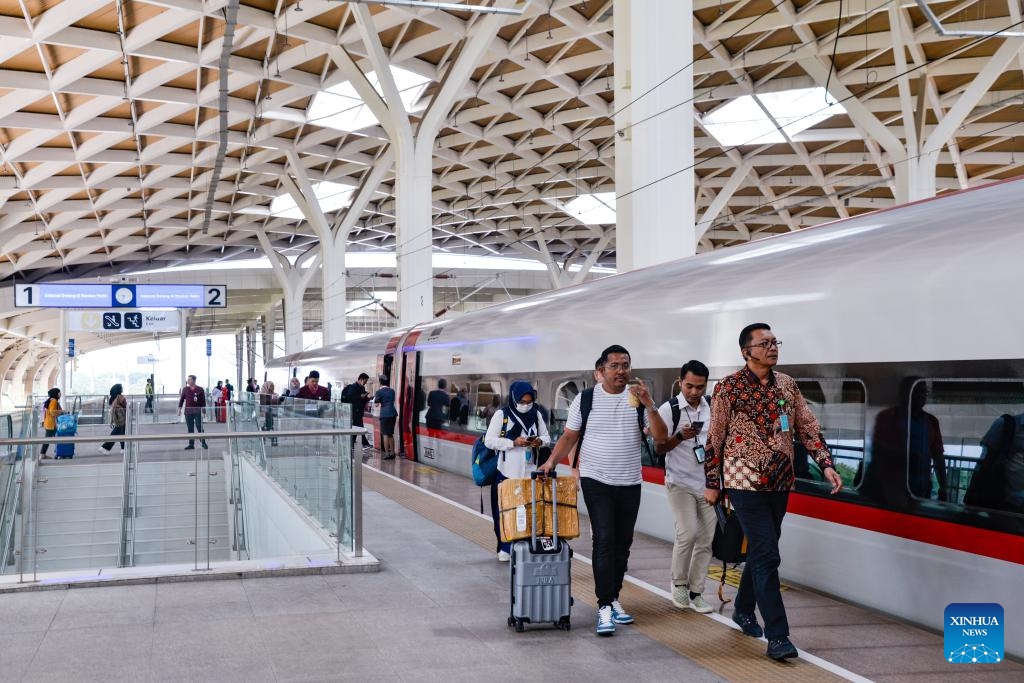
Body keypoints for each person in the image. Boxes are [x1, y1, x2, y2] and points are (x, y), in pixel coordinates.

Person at [703, 323, 843, 661]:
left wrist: (825, 463)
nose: (772, 347)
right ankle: (778, 636)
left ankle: (743, 609)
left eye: (774, 342)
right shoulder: (729, 388)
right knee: (767, 554)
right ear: (746, 351)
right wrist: (712, 482)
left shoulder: (787, 385)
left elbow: (807, 427)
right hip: (742, 481)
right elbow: (715, 437)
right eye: (764, 343)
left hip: (780, 481)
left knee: (763, 552)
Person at [539, 345, 668, 637]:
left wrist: (650, 405)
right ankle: (604, 605)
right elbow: (570, 436)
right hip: (596, 479)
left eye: (626, 365)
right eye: (615, 366)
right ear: (600, 372)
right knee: (604, 539)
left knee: (623, 544)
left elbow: (660, 438)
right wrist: (550, 462)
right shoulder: (585, 400)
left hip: (630, 481)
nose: (622, 371)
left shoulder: (638, 399)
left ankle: (614, 597)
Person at [654, 360, 715, 614]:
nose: (694, 392)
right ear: (680, 383)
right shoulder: (670, 409)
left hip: (708, 485)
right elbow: (659, 448)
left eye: (700, 387)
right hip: (679, 483)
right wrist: (679, 437)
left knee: (706, 539)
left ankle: (696, 591)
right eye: (689, 386)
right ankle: (678, 583)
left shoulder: (711, 407)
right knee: (687, 533)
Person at [486, 381, 551, 562]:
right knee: (504, 511)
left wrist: (539, 441)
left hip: (530, 473)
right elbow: (489, 441)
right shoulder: (502, 415)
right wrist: (512, 443)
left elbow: (547, 437)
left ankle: (523, 545)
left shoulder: (536, 414)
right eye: (522, 402)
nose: (525, 405)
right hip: (506, 472)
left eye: (529, 401)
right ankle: (505, 547)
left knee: (528, 511)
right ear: (514, 399)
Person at [871, 378, 947, 502]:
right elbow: (878, 451)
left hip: (922, 490)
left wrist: (943, 488)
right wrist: (906, 456)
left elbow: (938, 457)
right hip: (892, 490)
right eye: (917, 391)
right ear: (905, 394)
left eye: (924, 392)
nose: (922, 395)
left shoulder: (931, 422)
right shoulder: (888, 417)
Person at [177, 375, 209, 450]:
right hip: (188, 412)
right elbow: (181, 400)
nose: (188, 381)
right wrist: (179, 410)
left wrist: (204, 412)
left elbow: (203, 402)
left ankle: (203, 442)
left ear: (194, 381)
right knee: (190, 428)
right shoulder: (185, 389)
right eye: (188, 380)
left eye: (190, 380)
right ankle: (191, 444)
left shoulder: (200, 389)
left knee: (199, 426)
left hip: (197, 411)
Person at [342, 373, 372, 450]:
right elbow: (350, 397)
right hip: (354, 410)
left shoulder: (362, 388)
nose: (365, 383)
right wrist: (360, 396)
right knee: (360, 426)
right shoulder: (353, 387)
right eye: (365, 381)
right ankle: (365, 443)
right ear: (361, 379)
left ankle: (351, 444)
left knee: (356, 427)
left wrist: (367, 398)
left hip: (359, 410)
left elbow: (362, 399)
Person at [374, 376, 398, 460]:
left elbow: (376, 404)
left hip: (385, 414)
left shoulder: (379, 392)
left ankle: (387, 454)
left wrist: (376, 400)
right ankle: (393, 453)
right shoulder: (392, 391)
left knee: (385, 434)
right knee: (390, 434)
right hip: (393, 413)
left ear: (380, 382)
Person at [99, 384, 127, 454]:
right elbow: (126, 407)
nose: (122, 388)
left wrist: (112, 421)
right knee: (120, 433)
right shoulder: (121, 397)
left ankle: (106, 448)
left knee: (119, 433)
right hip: (122, 418)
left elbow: (112, 409)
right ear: (119, 389)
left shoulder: (113, 398)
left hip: (116, 418)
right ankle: (105, 447)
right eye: (121, 388)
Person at [39, 387, 64, 459]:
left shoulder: (50, 400)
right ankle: (59, 453)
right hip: (51, 424)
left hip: (48, 423)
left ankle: (43, 454)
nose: (60, 394)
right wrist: (61, 411)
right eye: (59, 393)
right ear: (56, 394)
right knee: (59, 438)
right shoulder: (54, 401)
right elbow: (52, 412)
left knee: (48, 440)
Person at [259, 380, 279, 447]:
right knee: (269, 425)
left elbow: (276, 405)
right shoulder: (261, 395)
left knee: (270, 425)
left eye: (273, 386)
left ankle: (272, 442)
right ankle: (264, 440)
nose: (272, 388)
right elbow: (261, 407)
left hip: (272, 413)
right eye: (271, 386)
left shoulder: (275, 394)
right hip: (264, 414)